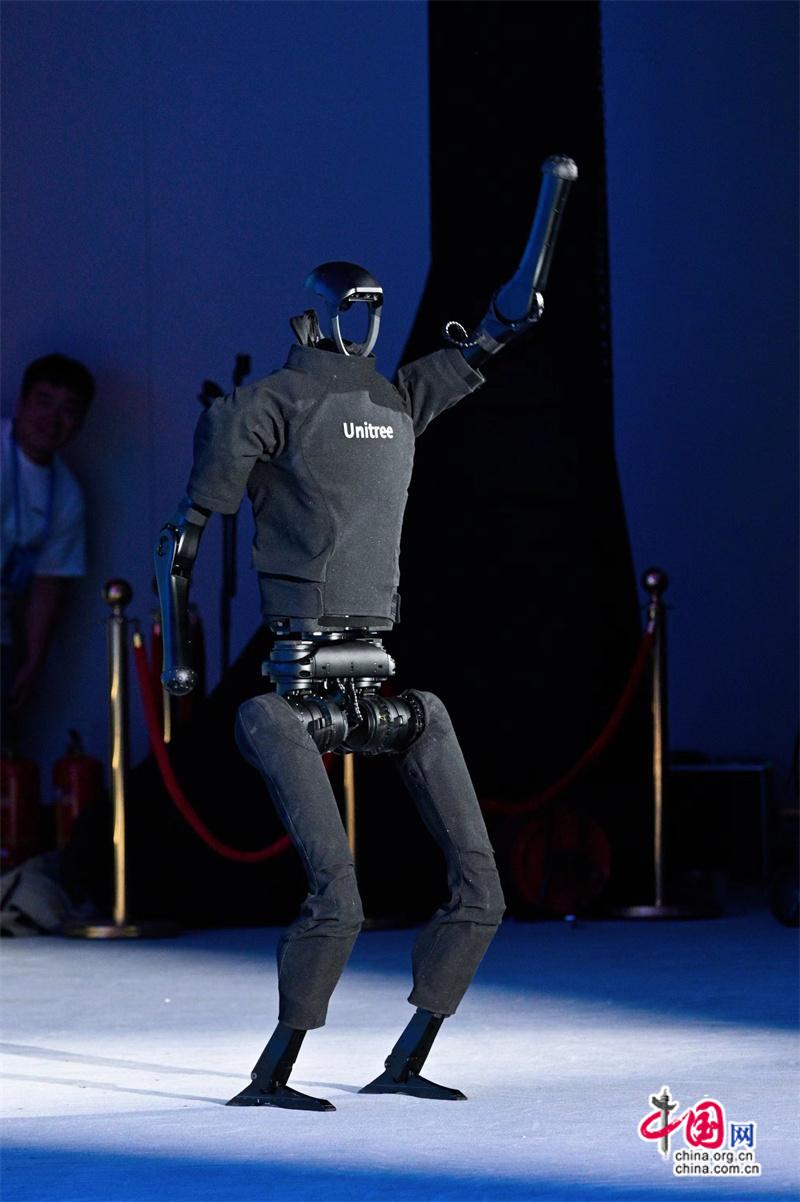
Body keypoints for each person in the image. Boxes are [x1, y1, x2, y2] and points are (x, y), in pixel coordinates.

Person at [156, 157, 577, 1111]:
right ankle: (274, 1073)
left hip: (381, 680)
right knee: (337, 896)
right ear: (314, 315)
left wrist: (519, 295)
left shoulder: (394, 400)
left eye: (378, 306)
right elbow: (182, 536)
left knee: (483, 886)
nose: (367, 320)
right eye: (353, 306)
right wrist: (181, 659)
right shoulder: (268, 403)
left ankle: (409, 1057)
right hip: (293, 689)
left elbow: (489, 340)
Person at [1, 353, 94, 751]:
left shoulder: (67, 494)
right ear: (21, 403)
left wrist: (33, 660)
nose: (53, 418)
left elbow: (48, 582)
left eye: (68, 409)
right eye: (44, 401)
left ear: (80, 422)